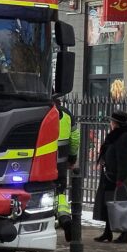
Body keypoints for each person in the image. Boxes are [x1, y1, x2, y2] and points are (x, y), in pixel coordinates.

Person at [92, 109, 127, 243]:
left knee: (122, 205)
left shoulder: (125, 136)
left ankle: (125, 233)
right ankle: (107, 232)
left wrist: (120, 179)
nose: (111, 123)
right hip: (109, 175)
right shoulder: (115, 134)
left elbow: (125, 159)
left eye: (112, 121)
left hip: (120, 177)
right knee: (108, 204)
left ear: (117, 123)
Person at [55, 100, 79, 240]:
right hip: (61, 164)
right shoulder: (67, 114)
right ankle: (64, 217)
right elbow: (75, 138)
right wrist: (72, 157)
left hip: (39, 162)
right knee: (60, 193)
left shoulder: (39, 111)